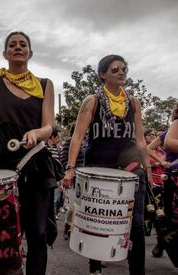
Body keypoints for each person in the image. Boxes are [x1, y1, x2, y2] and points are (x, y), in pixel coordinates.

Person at [0, 31, 55, 275]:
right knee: (0, 231)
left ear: (30, 53)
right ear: (5, 53)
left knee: (37, 232)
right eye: (12, 45)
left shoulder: (45, 84)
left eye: (23, 44)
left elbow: (50, 126)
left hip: (35, 163)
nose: (18, 47)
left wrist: (37, 133)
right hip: (0, 166)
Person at [61, 55, 149, 275]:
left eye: (123, 69)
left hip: (129, 170)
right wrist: (70, 169)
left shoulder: (134, 103)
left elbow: (140, 140)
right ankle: (95, 268)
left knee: (136, 225)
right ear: (102, 74)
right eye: (114, 69)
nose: (121, 72)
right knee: (97, 224)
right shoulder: (93, 101)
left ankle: (137, 271)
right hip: (98, 171)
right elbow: (77, 137)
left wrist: (147, 169)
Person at [154, 104, 178, 258]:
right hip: (172, 176)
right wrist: (161, 161)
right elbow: (148, 148)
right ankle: (162, 242)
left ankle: (162, 243)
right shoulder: (171, 129)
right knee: (170, 216)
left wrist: (162, 159)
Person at [60, 122, 85, 240]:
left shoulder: (87, 142)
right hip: (74, 177)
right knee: (72, 206)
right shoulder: (70, 141)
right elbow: (64, 158)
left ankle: (77, 229)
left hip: (85, 178)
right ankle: (67, 227)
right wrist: (70, 172)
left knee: (82, 206)